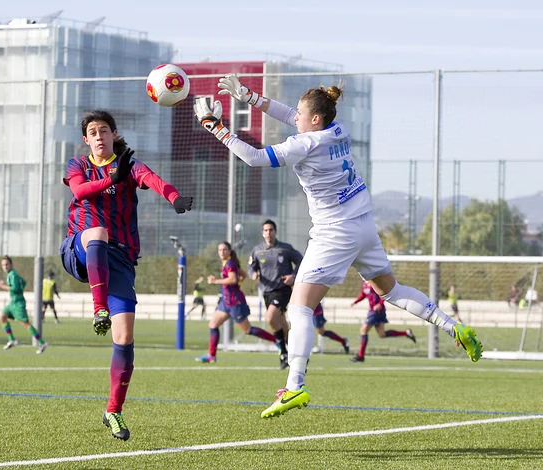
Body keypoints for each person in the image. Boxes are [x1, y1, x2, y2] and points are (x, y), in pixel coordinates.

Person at [194, 76, 483, 419]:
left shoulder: (303, 145)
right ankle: (454, 327)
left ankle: (294, 386)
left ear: (314, 119)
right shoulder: (337, 129)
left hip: (334, 232)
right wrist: (251, 98)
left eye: (301, 114)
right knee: (391, 291)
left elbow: (255, 158)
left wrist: (216, 127)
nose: (295, 118)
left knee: (299, 309)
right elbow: (290, 114)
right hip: (363, 223)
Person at [59, 110, 193, 441]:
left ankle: (113, 411)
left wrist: (174, 197)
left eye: (104, 130)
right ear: (86, 140)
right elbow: (79, 193)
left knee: (124, 338)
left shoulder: (129, 164)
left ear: (114, 134)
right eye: (93, 131)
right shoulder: (78, 165)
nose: (99, 135)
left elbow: (151, 179)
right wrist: (112, 179)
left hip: (119, 260)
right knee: (98, 232)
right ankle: (98, 307)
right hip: (80, 248)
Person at [196, 241, 279, 363]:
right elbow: (243, 275)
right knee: (213, 324)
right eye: (220, 250)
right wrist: (235, 284)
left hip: (235, 302)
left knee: (247, 330)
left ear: (229, 251)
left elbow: (233, 279)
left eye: (224, 250)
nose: (222, 252)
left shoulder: (230, 263)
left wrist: (216, 282)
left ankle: (277, 340)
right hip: (226, 302)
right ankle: (212, 355)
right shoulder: (227, 263)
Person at [248, 219, 303, 369]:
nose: (268, 232)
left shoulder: (285, 249)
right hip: (266, 291)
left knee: (270, 317)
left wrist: (293, 276)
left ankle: (283, 353)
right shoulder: (257, 250)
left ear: (275, 232)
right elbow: (251, 267)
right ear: (262, 233)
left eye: (271, 230)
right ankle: (294, 352)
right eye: (265, 230)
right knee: (281, 323)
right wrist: (253, 274)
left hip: (282, 290)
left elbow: (301, 262)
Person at [349, 281, 415, 362]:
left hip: (376, 311)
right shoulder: (364, 283)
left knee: (363, 330)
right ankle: (406, 333)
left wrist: (380, 304)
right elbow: (363, 295)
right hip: (374, 311)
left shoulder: (374, 281)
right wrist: (355, 302)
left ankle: (361, 356)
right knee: (382, 334)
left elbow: (383, 293)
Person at [0, 256, 48, 354]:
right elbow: (23, 283)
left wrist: (2, 286)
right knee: (2, 317)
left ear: (11, 264)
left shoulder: (13, 275)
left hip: (18, 303)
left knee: (26, 324)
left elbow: (15, 289)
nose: (5, 266)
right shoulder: (11, 274)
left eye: (6, 264)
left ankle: (42, 343)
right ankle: (12, 340)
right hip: (12, 303)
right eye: (3, 265)